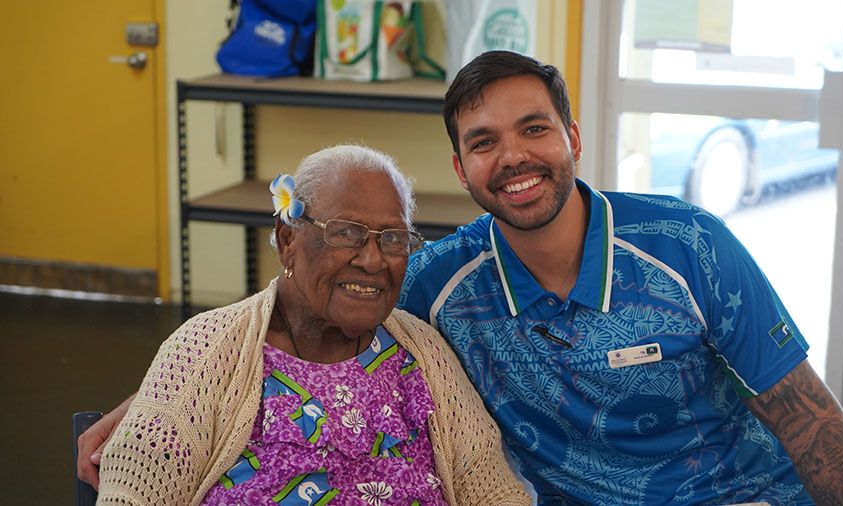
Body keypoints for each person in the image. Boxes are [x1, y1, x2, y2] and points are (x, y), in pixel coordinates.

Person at [80, 52, 843, 505]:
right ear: (462, 167)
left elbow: (808, 415)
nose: (515, 157)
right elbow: (312, 292)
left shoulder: (688, 248)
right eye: (485, 141)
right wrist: (154, 399)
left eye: (535, 129)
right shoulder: (437, 277)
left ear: (571, 136)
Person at [92, 145, 530, 505]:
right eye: (346, 232)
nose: (373, 260)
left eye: (393, 239)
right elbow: (131, 495)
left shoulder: (425, 354)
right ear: (288, 241)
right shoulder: (207, 351)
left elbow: (492, 490)